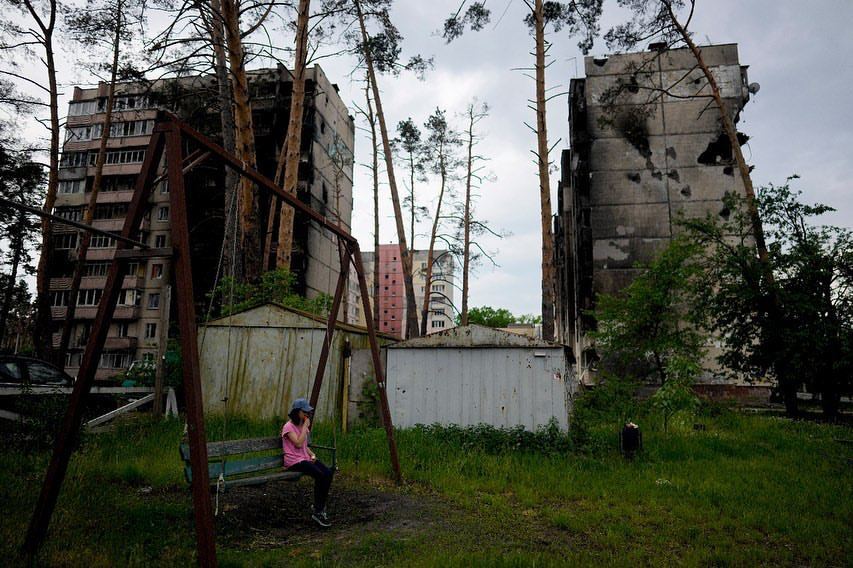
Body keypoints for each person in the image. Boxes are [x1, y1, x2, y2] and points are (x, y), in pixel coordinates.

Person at [281, 398, 334, 528]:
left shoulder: (302, 426)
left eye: (308, 412)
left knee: (327, 472)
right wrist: (305, 427)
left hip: (304, 458)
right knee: (319, 475)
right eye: (305, 412)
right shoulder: (289, 427)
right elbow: (298, 443)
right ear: (297, 412)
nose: (307, 414)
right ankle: (318, 511)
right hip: (293, 461)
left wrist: (312, 454)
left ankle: (319, 506)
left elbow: (304, 445)